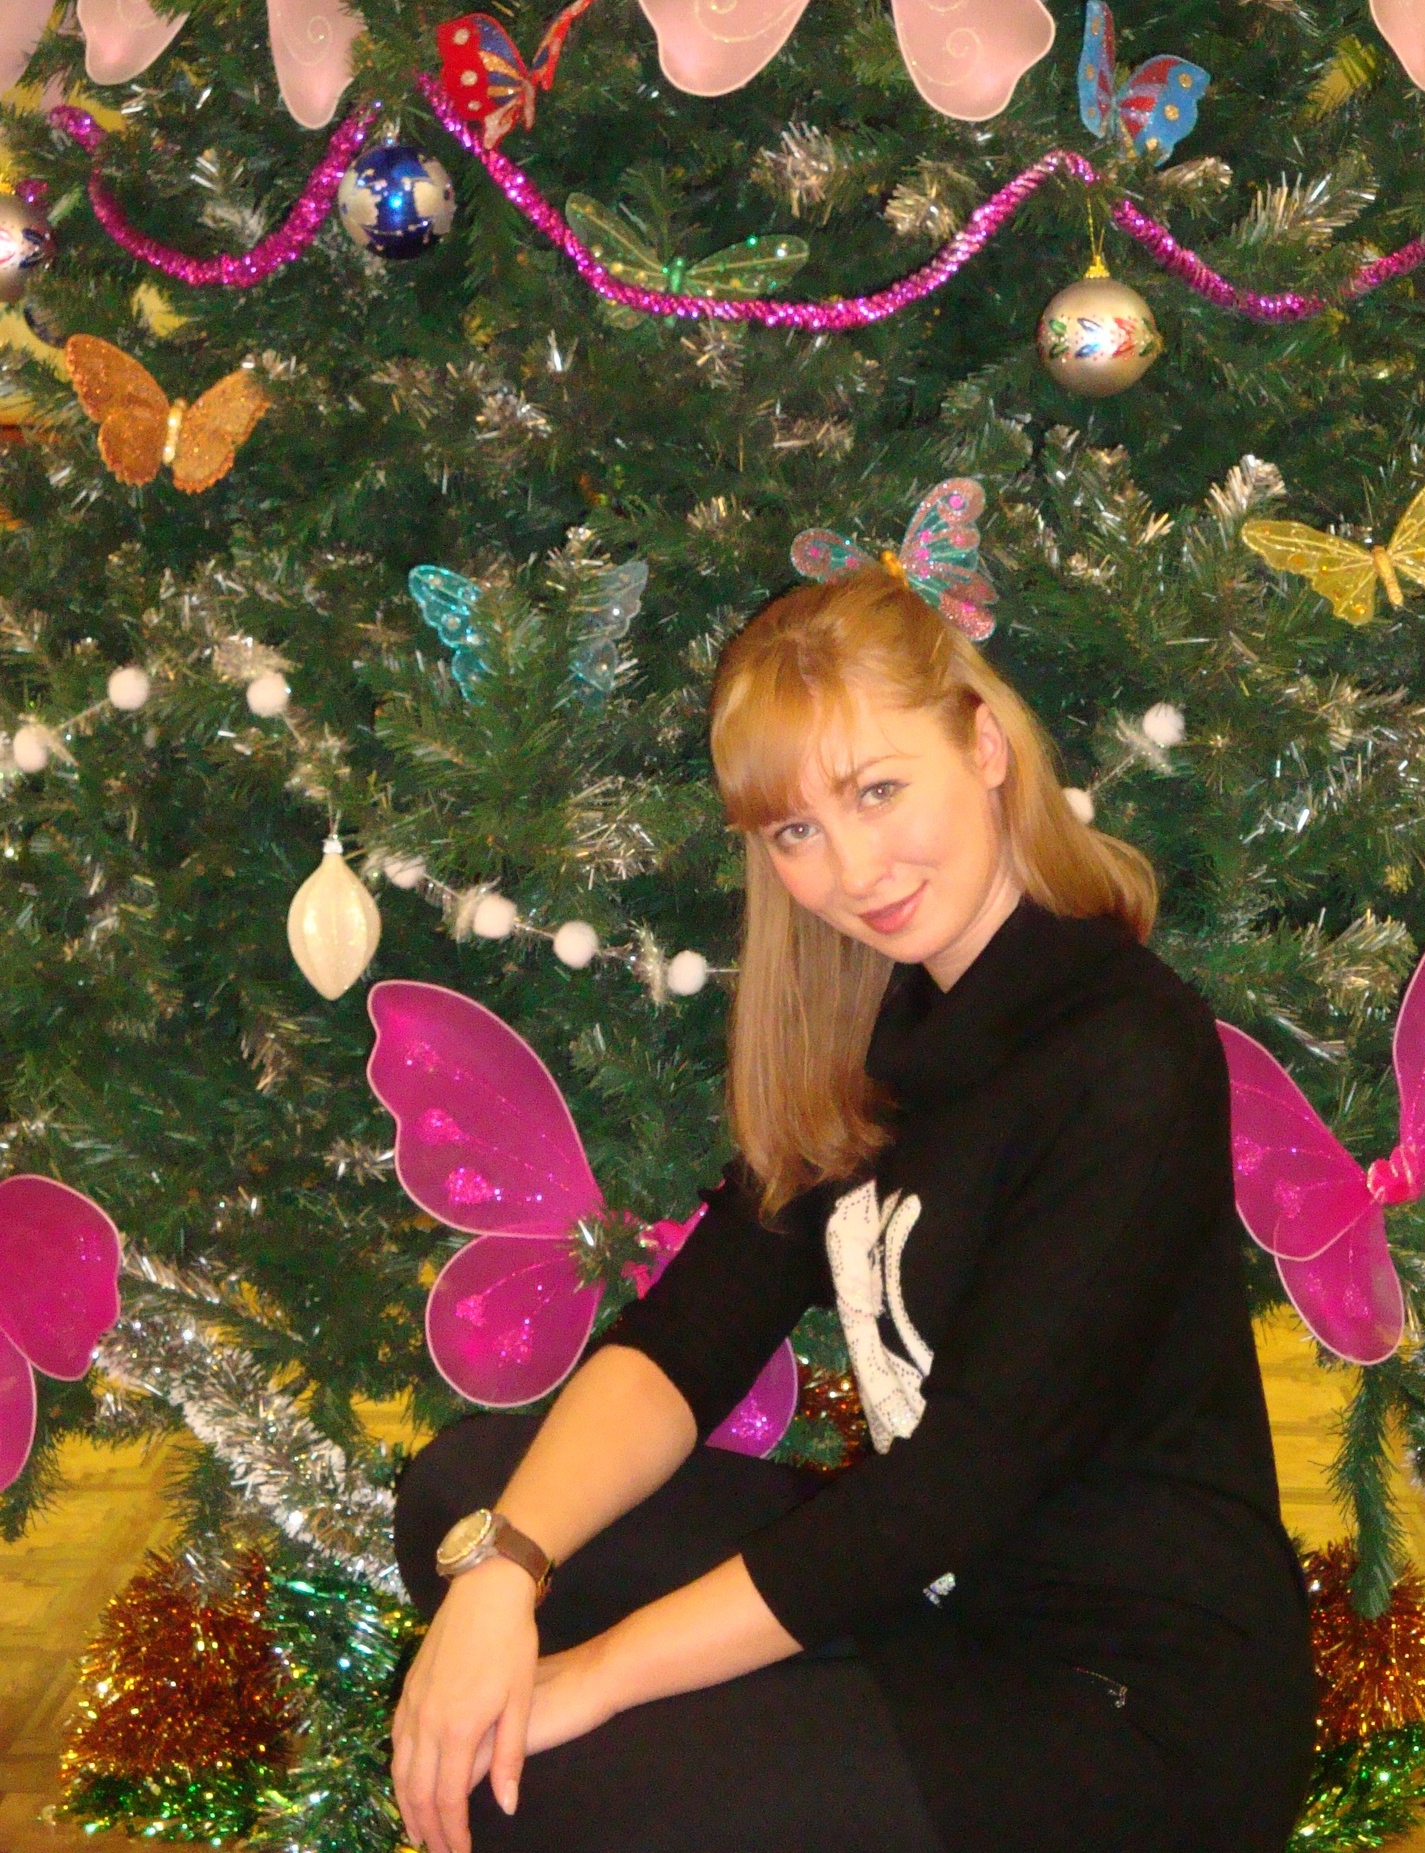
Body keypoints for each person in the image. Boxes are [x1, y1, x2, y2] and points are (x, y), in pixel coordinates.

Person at [390, 564, 1317, 1853]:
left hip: (1127, 1695)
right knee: (469, 1501)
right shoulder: (883, 1032)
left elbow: (952, 1485)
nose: (853, 870)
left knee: (540, 1783)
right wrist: (506, 1571)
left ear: (983, 746)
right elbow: (689, 1338)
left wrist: (595, 1677)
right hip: (940, 1601)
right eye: (796, 831)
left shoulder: (1126, 1051)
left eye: (878, 791)